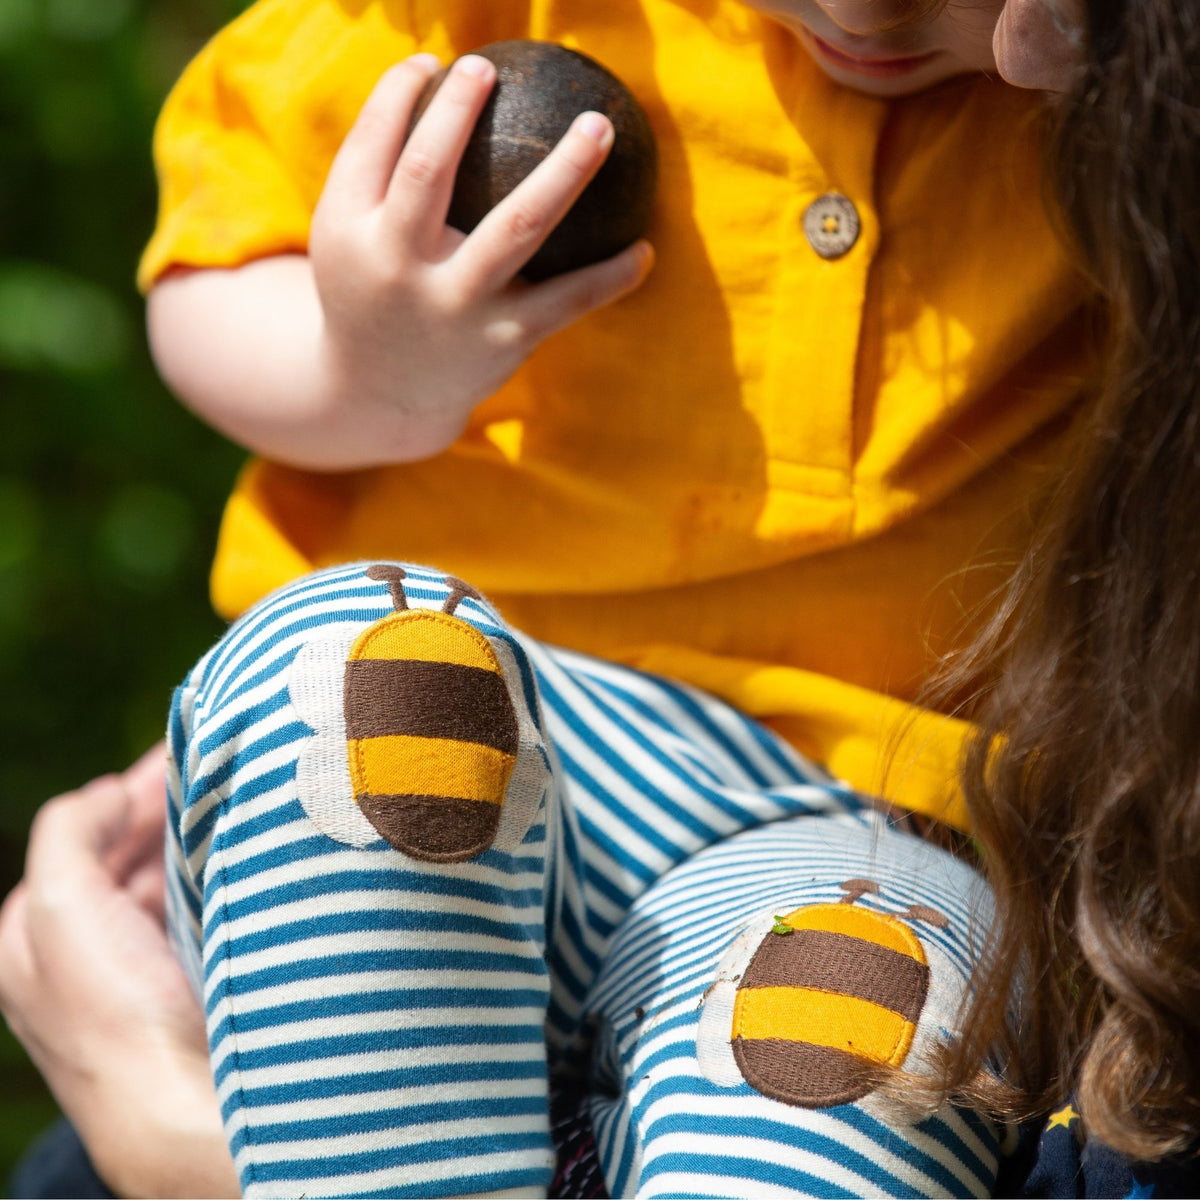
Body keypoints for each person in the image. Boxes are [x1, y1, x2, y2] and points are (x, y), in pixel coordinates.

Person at [4, 0, 1196, 1195]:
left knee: (848, 1036)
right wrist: (358, 364)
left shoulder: (1126, 91)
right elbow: (211, 268)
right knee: (348, 678)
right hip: (495, 730)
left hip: (886, 832)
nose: (866, 10)